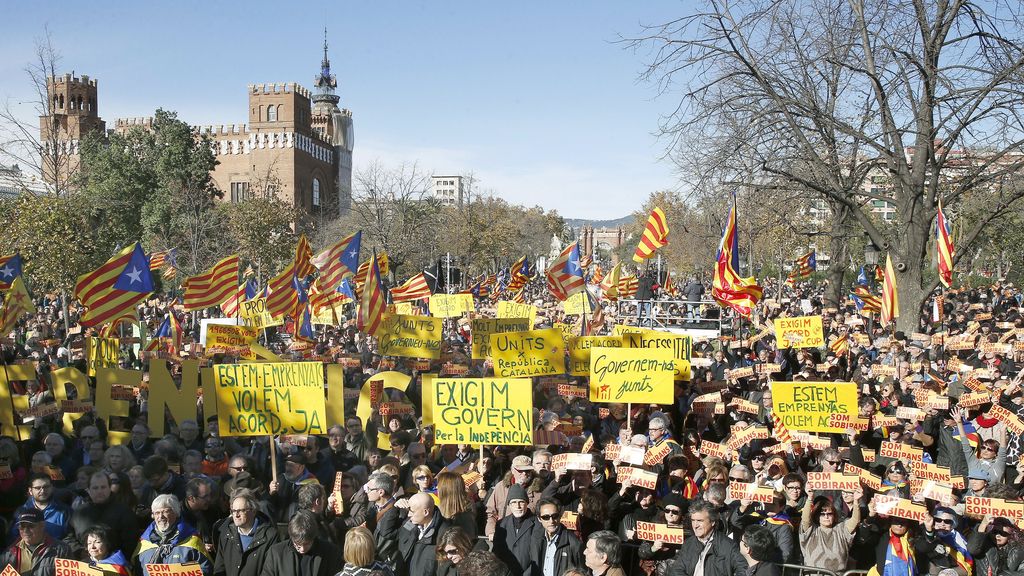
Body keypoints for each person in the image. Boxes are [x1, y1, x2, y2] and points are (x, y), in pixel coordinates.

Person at [133, 494, 213, 576]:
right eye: (157, 513)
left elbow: (207, 569)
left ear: (176, 512)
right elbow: (136, 571)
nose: (161, 516)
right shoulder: (144, 543)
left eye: (165, 511)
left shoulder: (192, 541)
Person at [67, 470, 140, 558]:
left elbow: (130, 543)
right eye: (95, 488)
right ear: (88, 490)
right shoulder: (79, 512)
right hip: (84, 564)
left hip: (114, 565)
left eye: (103, 487)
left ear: (110, 488)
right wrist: (80, 551)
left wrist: (108, 557)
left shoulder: (124, 512)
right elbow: (68, 538)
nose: (100, 491)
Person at [667, 500, 745, 576]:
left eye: (700, 521)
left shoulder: (728, 546)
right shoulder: (688, 544)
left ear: (712, 522)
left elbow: (744, 569)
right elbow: (676, 570)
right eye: (693, 520)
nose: (695, 525)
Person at [212, 490, 281, 576]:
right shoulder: (226, 534)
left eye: (241, 511)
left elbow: (271, 571)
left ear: (253, 511)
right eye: (234, 511)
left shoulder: (270, 536)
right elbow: (219, 569)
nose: (236, 515)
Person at [259, 510, 341, 576]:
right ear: (291, 537)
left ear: (313, 538)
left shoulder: (330, 552)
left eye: (307, 544)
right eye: (298, 544)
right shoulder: (276, 553)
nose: (302, 549)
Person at [799, 488, 862, 571]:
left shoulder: (841, 529)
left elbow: (855, 520)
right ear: (817, 516)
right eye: (822, 514)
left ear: (834, 515)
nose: (826, 516)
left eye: (829, 513)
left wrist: (856, 501)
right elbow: (805, 519)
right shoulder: (811, 530)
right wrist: (810, 498)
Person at [0, 508, 73, 576]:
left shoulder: (62, 550)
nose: (25, 530)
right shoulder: (8, 555)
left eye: (30, 526)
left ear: (42, 526)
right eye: (22, 526)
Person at [397, 492, 450, 576]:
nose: (408, 515)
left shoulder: (445, 534)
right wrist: (395, 509)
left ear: (425, 512)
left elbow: (446, 569)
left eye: (412, 511)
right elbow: (388, 533)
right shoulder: (410, 523)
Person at [492, 484, 539, 574]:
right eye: (513, 502)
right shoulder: (501, 524)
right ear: (509, 504)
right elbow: (497, 552)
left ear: (527, 503)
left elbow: (538, 555)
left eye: (521, 502)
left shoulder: (537, 524)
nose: (518, 506)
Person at [530, 499, 583, 576]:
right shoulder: (536, 538)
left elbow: (582, 571)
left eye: (555, 516)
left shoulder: (573, 542)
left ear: (560, 516)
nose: (551, 521)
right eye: (546, 517)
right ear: (539, 519)